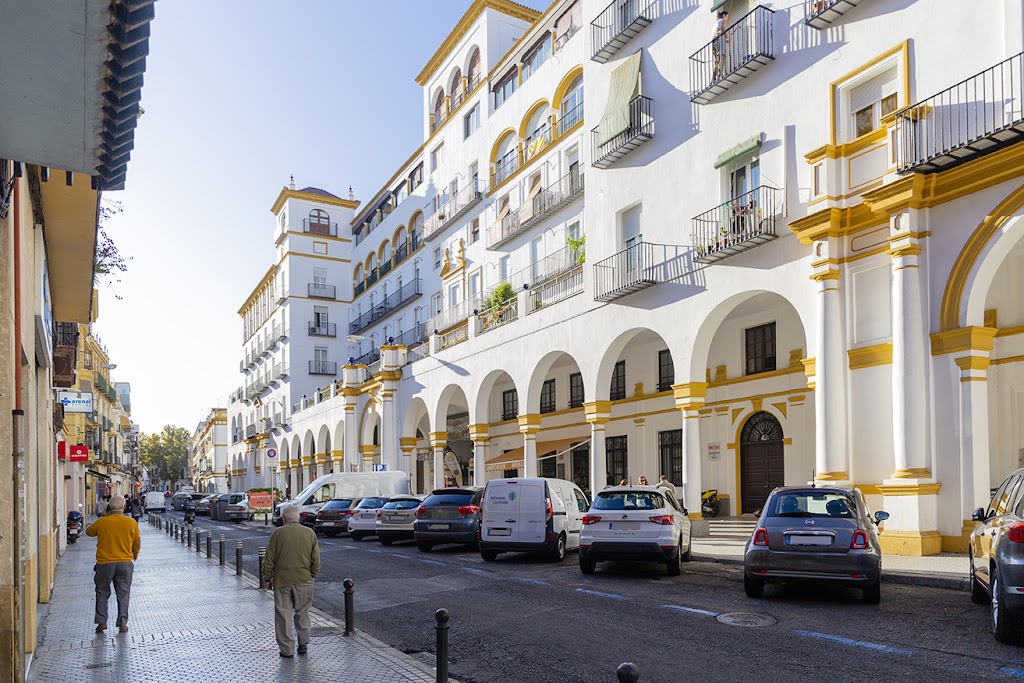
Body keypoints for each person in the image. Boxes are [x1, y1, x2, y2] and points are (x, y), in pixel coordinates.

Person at [262, 505, 320, 658]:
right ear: (299, 518)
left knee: (283, 616)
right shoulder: (309, 533)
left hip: (282, 581)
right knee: (303, 612)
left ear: (284, 519)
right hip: (304, 579)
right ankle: (303, 643)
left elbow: (269, 560)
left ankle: (287, 650)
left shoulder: (277, 533)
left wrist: (267, 578)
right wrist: (311, 575)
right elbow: (316, 560)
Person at [85, 494, 140, 633]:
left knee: (102, 592)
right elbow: (137, 541)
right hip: (125, 562)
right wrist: (134, 554)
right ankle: (122, 624)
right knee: (123, 593)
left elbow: (89, 532)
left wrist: (103, 516)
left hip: (104, 563)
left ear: (109, 507)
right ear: (124, 506)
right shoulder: (131, 522)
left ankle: (102, 622)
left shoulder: (102, 522)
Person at [712, 10, 729, 81]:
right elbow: (724, 29)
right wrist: (727, 38)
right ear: (724, 16)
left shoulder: (716, 23)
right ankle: (720, 75)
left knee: (716, 60)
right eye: (727, 17)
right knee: (722, 56)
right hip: (719, 39)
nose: (727, 19)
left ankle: (714, 77)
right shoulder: (722, 20)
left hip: (714, 40)